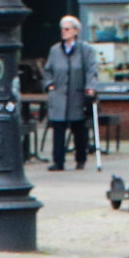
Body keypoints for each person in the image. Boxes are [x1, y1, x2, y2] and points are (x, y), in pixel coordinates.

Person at [42, 16, 99, 172]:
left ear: (76, 31)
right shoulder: (55, 50)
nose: (63, 32)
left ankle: (81, 158)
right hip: (59, 95)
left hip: (77, 94)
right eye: (62, 29)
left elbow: (91, 71)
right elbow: (48, 71)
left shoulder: (85, 50)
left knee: (79, 128)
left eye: (67, 29)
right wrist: (50, 84)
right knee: (58, 128)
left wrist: (90, 87)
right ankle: (58, 161)